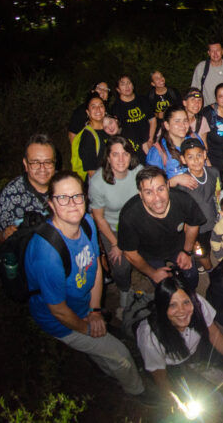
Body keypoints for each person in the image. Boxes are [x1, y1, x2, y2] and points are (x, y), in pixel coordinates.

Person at [25, 170, 150, 402]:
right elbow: (59, 310)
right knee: (121, 355)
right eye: (63, 198)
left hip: (85, 307)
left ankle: (105, 368)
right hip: (61, 320)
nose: (72, 203)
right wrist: (89, 328)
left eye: (77, 196)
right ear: (51, 203)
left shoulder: (88, 223)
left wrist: (94, 311)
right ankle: (138, 392)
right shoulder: (47, 254)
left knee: (104, 348)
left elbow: (94, 268)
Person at [136, 276, 223, 398]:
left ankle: (198, 366)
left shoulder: (198, 303)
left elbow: (214, 333)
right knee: (215, 400)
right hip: (172, 367)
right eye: (172, 305)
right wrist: (173, 399)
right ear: (162, 307)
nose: (182, 311)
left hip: (195, 349)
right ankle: (192, 373)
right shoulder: (150, 336)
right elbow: (160, 376)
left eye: (186, 302)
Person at [118, 167, 206, 290]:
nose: (157, 198)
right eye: (148, 192)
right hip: (149, 254)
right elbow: (130, 253)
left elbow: (193, 225)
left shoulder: (183, 200)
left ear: (168, 186)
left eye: (160, 189)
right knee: (163, 287)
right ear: (140, 194)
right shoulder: (129, 216)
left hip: (178, 246)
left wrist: (187, 251)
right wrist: (152, 273)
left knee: (192, 276)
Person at [89, 135, 142, 315]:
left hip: (136, 223)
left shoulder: (138, 171)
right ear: (108, 157)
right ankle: (124, 290)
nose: (121, 159)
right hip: (112, 227)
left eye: (125, 154)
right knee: (120, 264)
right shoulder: (97, 182)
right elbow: (99, 217)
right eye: (115, 154)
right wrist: (115, 243)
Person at [0, 134, 55, 241]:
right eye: (35, 162)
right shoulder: (12, 193)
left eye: (47, 162)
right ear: (25, 164)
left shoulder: (66, 186)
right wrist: (6, 234)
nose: (42, 168)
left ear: (54, 163)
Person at [173, 138, 218, 271]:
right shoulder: (183, 182)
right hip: (197, 228)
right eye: (190, 157)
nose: (196, 160)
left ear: (205, 155)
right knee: (201, 251)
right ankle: (209, 269)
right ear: (183, 159)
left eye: (199, 155)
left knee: (214, 244)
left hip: (214, 221)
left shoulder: (213, 173)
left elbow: (218, 194)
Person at [110, 74, 156, 157]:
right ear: (118, 89)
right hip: (131, 149)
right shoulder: (116, 108)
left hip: (148, 144)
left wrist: (150, 140)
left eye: (129, 83)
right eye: (123, 84)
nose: (127, 86)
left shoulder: (143, 100)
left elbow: (152, 120)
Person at [145, 104, 195, 179]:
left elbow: (206, 164)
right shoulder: (157, 152)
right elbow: (151, 182)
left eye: (185, 120)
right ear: (167, 125)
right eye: (177, 121)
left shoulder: (194, 139)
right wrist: (174, 181)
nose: (183, 125)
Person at [70, 93, 108, 179]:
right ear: (88, 112)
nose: (98, 109)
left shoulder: (109, 130)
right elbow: (92, 173)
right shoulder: (88, 137)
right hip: (100, 184)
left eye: (101, 106)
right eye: (93, 107)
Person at [189, 40, 223, 107]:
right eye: (212, 51)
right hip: (208, 111)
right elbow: (194, 91)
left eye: (218, 50)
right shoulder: (201, 67)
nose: (215, 54)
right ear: (209, 53)